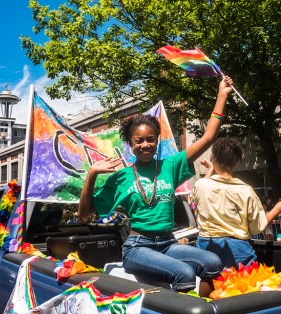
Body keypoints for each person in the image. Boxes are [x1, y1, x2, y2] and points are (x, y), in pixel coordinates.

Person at [78, 76, 234, 296]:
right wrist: (92, 174)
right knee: (185, 274)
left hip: (168, 243)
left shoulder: (170, 166)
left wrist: (222, 94)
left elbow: (208, 137)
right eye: (138, 141)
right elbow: (84, 213)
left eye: (150, 139)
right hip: (138, 248)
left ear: (157, 140)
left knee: (213, 262)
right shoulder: (121, 178)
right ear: (130, 144)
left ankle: (204, 311)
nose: (145, 145)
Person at [192, 137, 281, 269]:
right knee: (243, 288)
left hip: (207, 248)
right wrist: (277, 210)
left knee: (209, 286)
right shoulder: (246, 191)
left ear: (215, 159)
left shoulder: (201, 185)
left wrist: (210, 169)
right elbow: (257, 227)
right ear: (236, 162)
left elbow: (203, 185)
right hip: (238, 250)